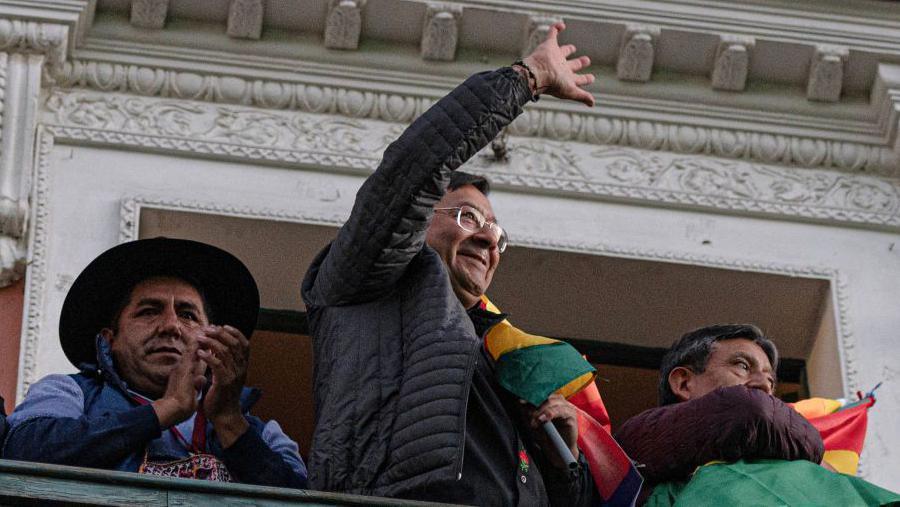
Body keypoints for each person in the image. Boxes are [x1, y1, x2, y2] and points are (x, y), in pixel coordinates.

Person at [302, 23, 597, 505]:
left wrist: (561, 461)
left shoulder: (501, 354)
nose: (488, 239)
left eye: (497, 231)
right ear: (419, 219)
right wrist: (528, 77)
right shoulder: (367, 282)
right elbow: (411, 169)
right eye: (467, 217)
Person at [3, 238, 307, 488]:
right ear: (110, 339)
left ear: (212, 339)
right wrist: (165, 409)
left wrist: (230, 422)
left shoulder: (262, 432)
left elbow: (300, 496)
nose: (171, 325)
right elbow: (21, 452)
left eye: (188, 315)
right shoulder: (68, 392)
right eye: (149, 311)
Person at [614, 324, 825, 501]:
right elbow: (747, 408)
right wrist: (819, 458)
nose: (764, 386)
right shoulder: (641, 433)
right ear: (684, 383)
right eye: (742, 366)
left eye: (771, 380)